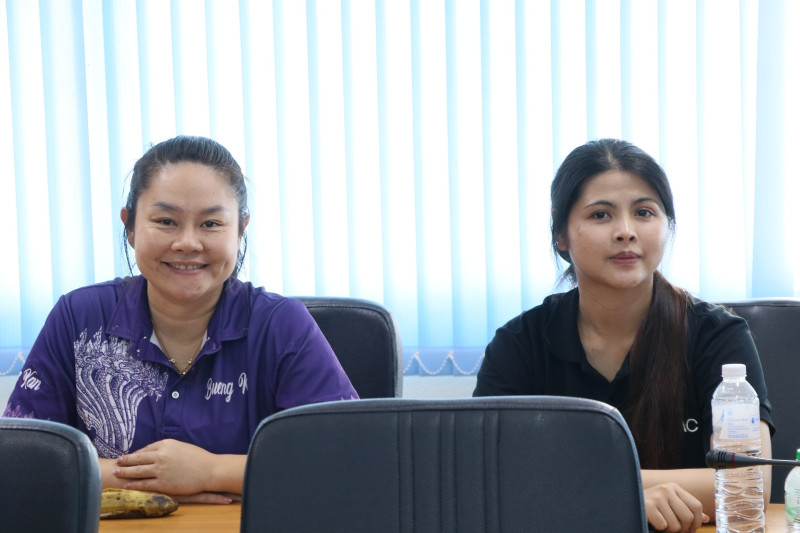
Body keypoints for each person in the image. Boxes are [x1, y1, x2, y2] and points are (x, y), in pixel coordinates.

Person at [3, 135, 358, 503]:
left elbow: (343, 459)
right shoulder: (79, 318)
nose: (188, 242)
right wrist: (154, 484)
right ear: (130, 227)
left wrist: (209, 472)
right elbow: (21, 457)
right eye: (166, 221)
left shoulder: (282, 325)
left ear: (241, 229)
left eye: (211, 224)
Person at [473, 139, 774, 533]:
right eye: (601, 215)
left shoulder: (717, 336)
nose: (626, 232)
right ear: (561, 235)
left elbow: (748, 484)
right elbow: (489, 482)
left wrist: (593, 488)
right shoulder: (519, 344)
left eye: (644, 212)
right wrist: (627, 495)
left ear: (667, 226)